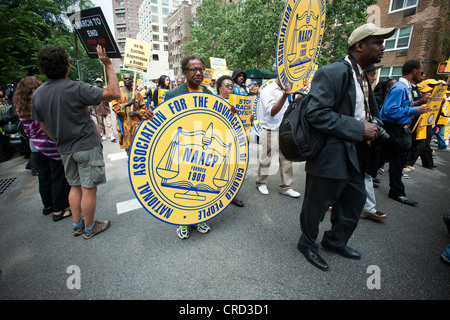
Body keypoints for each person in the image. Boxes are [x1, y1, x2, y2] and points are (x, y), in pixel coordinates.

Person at [297, 23, 395, 271]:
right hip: (330, 155)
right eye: (377, 42)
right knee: (316, 206)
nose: (382, 47)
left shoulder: (361, 75)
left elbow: (367, 111)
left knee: (353, 203)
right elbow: (316, 114)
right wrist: (358, 128)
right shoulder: (331, 72)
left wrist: (375, 125)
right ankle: (307, 243)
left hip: (356, 156)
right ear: (359, 46)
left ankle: (334, 241)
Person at [33, 45, 122, 239]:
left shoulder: (38, 94)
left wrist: (57, 138)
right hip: (86, 146)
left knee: (74, 186)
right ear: (67, 66)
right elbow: (114, 93)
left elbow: (41, 124)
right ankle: (90, 228)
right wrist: (107, 64)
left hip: (64, 148)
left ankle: (77, 224)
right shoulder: (76, 87)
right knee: (89, 188)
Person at [164, 55, 212, 239]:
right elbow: (162, 123)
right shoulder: (172, 94)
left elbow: (214, 121)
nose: (198, 73)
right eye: (193, 69)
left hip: (201, 151)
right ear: (184, 72)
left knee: (200, 184)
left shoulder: (208, 94)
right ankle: (183, 220)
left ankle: (199, 217)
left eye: (201, 69)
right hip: (181, 149)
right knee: (182, 187)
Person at [14, 76, 72, 221]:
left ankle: (48, 206)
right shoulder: (40, 104)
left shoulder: (19, 107)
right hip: (50, 146)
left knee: (44, 178)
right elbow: (46, 126)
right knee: (58, 178)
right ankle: (59, 210)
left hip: (35, 147)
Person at [380, 60, 430, 206]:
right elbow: (390, 111)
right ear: (414, 71)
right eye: (421, 71)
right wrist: (415, 110)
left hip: (397, 129)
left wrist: (418, 103)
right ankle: (397, 192)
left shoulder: (405, 88)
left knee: (385, 159)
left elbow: (400, 106)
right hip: (393, 128)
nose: (422, 74)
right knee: (396, 161)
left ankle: (393, 189)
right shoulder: (400, 88)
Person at [256, 77, 301, 198]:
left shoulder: (287, 89)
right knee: (266, 158)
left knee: (287, 159)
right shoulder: (268, 90)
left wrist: (300, 91)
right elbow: (272, 111)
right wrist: (284, 96)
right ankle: (261, 182)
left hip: (284, 131)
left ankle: (286, 187)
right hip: (270, 130)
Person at [216, 74, 253, 207]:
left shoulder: (236, 102)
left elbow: (243, 124)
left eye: (232, 86)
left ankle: (231, 195)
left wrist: (249, 120)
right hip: (219, 142)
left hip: (234, 141)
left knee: (232, 169)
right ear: (220, 88)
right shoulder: (214, 102)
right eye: (227, 86)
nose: (230, 89)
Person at [359, 65, 387, 221]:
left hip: (365, 141)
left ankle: (368, 207)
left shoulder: (368, 93)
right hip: (355, 138)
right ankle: (369, 208)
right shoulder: (359, 90)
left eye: (375, 74)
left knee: (363, 175)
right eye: (371, 74)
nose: (373, 78)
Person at [112, 73, 148, 156]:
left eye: (129, 79)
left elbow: (144, 109)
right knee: (128, 147)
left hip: (136, 124)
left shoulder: (137, 94)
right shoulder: (118, 93)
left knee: (138, 145)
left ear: (132, 81)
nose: (127, 80)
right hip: (124, 125)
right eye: (125, 79)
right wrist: (128, 103)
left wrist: (136, 112)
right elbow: (114, 107)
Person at [91, 78, 116, 143]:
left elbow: (110, 99)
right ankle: (102, 134)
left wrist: (105, 98)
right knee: (100, 123)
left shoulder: (105, 90)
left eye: (99, 82)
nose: (98, 83)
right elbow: (91, 101)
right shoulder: (94, 91)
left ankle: (111, 135)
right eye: (97, 82)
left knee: (109, 123)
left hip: (106, 109)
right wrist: (92, 110)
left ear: (102, 83)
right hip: (98, 110)